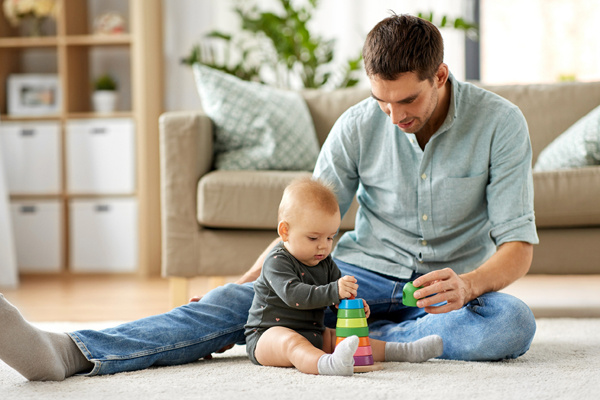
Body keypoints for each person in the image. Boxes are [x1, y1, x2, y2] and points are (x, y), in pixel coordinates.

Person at [0, 13, 537, 381]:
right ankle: (70, 353)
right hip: (356, 275)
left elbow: (518, 244)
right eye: (381, 102)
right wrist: (243, 285)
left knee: (512, 323)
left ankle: (358, 332)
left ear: (440, 75)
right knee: (247, 301)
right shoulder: (357, 125)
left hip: (441, 292)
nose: (394, 117)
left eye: (407, 100)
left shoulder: (500, 124)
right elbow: (304, 223)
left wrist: (468, 284)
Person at [245, 177, 442, 376]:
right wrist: (334, 290)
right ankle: (328, 365)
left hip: (313, 333)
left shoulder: (325, 262)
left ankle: (406, 351)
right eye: (313, 238)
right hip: (267, 337)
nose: (323, 245)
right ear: (285, 232)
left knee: (346, 338)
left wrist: (352, 305)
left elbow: (335, 301)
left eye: (330, 237)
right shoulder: (277, 261)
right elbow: (294, 295)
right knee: (291, 342)